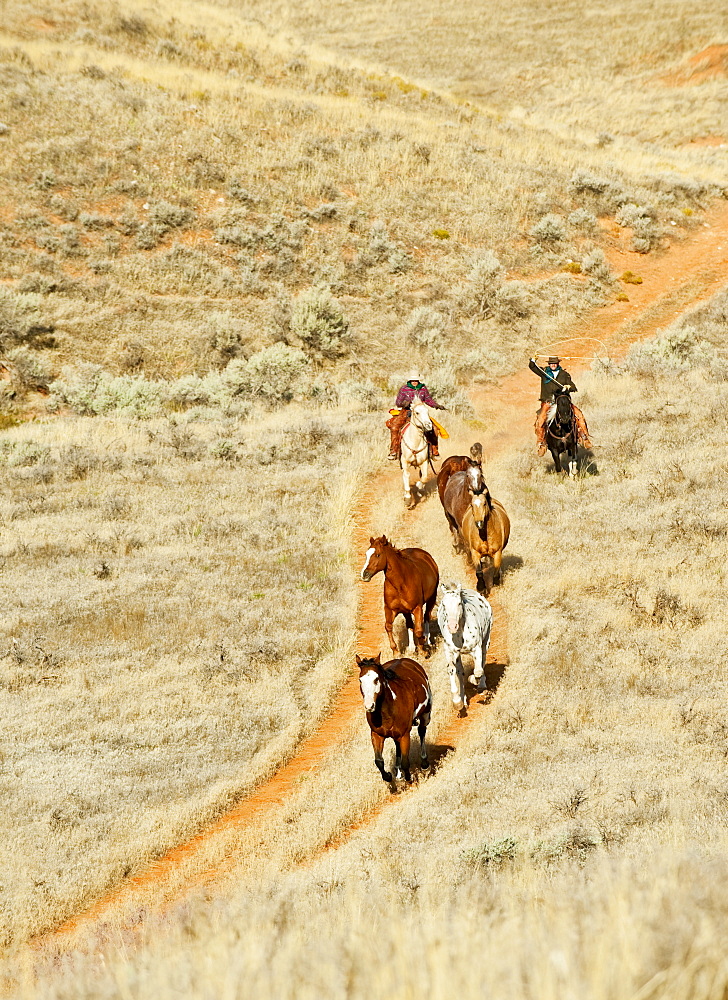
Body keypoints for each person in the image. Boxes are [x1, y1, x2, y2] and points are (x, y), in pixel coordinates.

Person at [528, 356, 592, 455]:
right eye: (551, 363)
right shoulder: (544, 373)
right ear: (549, 364)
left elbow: (574, 387)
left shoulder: (564, 374)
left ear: (558, 364)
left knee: (579, 415)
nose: (553, 365)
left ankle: (584, 437)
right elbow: (533, 367)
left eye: (555, 363)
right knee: (540, 420)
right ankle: (542, 443)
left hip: (563, 402)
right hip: (548, 402)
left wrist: (568, 387)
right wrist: (533, 360)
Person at [386, 370, 445, 461]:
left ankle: (434, 450)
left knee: (434, 428)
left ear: (418, 380)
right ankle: (394, 450)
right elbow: (398, 403)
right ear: (409, 381)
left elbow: (428, 400)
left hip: (420, 413)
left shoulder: (423, 388)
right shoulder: (404, 389)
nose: (414, 382)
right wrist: (405, 403)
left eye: (416, 380)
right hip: (406, 412)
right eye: (413, 380)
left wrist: (436, 405)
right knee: (394, 427)